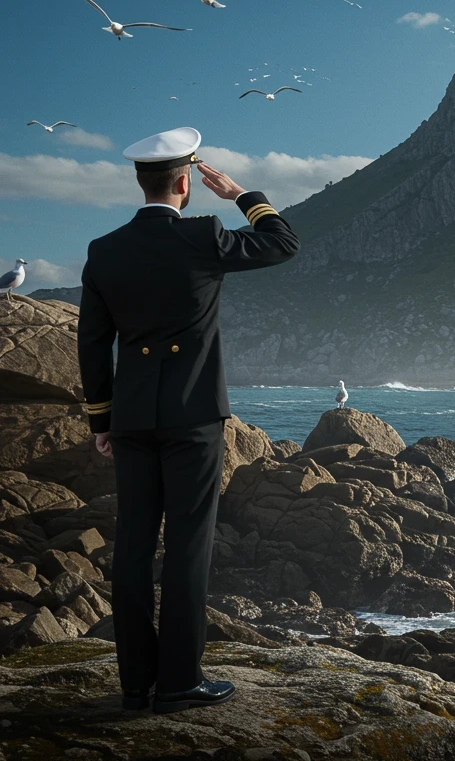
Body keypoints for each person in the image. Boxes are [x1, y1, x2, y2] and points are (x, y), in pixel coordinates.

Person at [77, 126, 299, 713]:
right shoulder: (205, 235)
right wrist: (242, 194)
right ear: (185, 182)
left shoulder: (104, 250)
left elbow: (93, 344)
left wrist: (101, 418)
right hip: (193, 416)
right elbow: (282, 243)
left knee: (131, 546)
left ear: (141, 181)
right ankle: (178, 682)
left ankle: (134, 685)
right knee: (187, 547)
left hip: (130, 419)